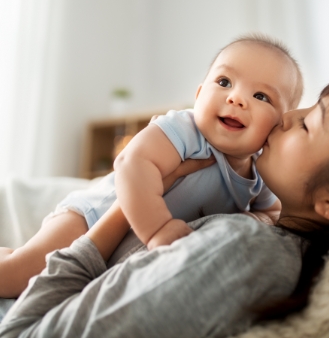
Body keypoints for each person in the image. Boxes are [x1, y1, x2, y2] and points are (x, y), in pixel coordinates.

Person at [0, 72, 329, 337]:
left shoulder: (241, 253)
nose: (283, 117)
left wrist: (116, 213)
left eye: (308, 123)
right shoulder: (264, 231)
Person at [0, 34, 304, 298]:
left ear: (280, 125)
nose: (236, 98)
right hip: (93, 216)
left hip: (127, 250)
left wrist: (261, 221)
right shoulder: (186, 131)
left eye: (261, 96)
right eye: (224, 82)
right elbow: (132, 163)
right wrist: (159, 227)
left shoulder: (259, 175)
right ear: (198, 96)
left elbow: (273, 212)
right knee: (21, 275)